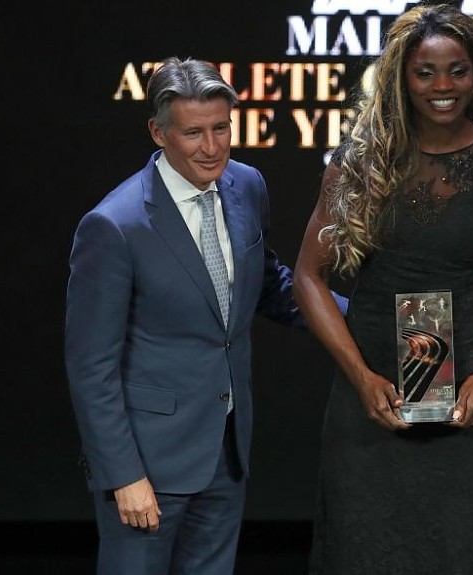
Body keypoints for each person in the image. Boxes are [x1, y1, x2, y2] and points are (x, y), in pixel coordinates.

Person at [292, 4, 473, 573]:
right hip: (371, 397)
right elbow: (309, 276)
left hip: (463, 402)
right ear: (402, 76)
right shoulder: (361, 161)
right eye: (425, 72)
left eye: (457, 70)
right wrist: (361, 378)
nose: (442, 86)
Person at [65, 56, 306, 574]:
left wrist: (364, 316)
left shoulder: (247, 185)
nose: (212, 147)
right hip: (146, 466)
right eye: (194, 133)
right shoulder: (115, 226)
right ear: (159, 133)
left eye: (222, 128)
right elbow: (91, 367)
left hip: (225, 452)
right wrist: (123, 475)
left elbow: (270, 286)